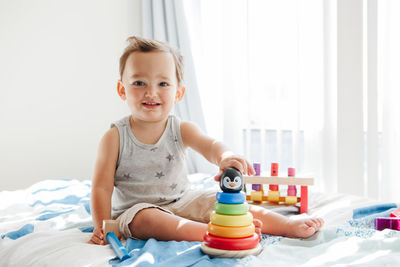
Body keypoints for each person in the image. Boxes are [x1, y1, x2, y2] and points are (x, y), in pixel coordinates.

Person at [88, 36, 324, 245]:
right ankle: (212, 232)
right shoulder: (114, 137)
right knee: (147, 219)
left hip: (182, 201)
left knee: (220, 201)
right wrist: (102, 225)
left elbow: (210, 145)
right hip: (136, 211)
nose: (151, 92)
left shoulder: (180, 128)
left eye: (163, 84)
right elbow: (101, 187)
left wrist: (225, 156)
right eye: (139, 83)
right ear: (122, 90)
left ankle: (286, 226)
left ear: (178, 93)